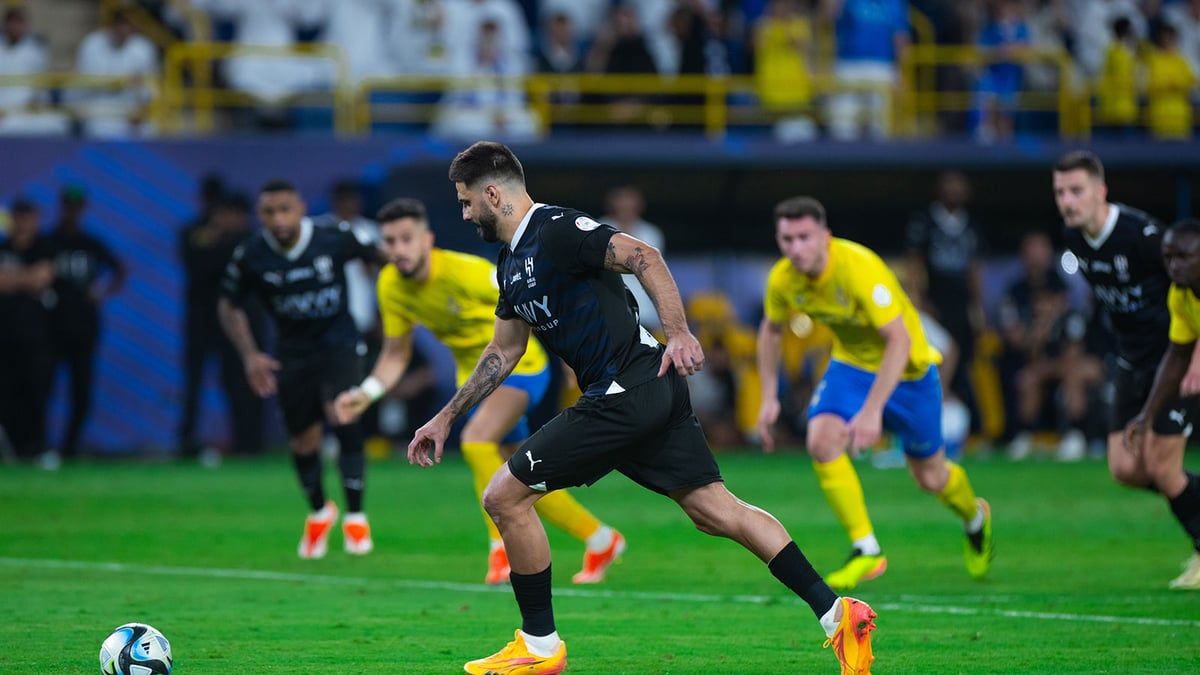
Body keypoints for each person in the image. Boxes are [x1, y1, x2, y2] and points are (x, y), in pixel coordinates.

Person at [407, 142, 876, 675]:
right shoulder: (511, 261)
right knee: (715, 510)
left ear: (493, 194)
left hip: (625, 389)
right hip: (646, 388)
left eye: (467, 202)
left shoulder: (556, 229)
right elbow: (504, 350)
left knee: (504, 497)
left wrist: (680, 332)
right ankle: (836, 614)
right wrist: (446, 416)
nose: (465, 214)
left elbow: (643, 256)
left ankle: (539, 646)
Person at [332, 197, 626, 585]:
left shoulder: (469, 273)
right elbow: (395, 354)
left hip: (522, 368)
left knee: (475, 440)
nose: (398, 249)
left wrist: (571, 356)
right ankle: (600, 538)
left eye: (406, 239)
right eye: (390, 241)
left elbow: (535, 299)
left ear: (427, 240)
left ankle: (501, 548)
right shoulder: (390, 285)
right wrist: (366, 393)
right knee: (516, 478)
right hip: (474, 385)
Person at [756, 196, 994, 592]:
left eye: (804, 237)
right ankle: (866, 548)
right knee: (821, 440)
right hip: (851, 367)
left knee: (931, 477)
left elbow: (899, 341)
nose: (795, 248)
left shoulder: (859, 269)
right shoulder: (782, 279)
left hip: (910, 372)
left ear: (826, 236)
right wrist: (768, 396)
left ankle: (975, 517)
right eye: (787, 239)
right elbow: (772, 329)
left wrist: (871, 412)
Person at [1055, 151, 1200, 589]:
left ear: (1101, 191)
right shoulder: (1074, 239)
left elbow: (1191, 288)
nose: (1067, 201)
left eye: (1076, 190)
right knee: (1125, 468)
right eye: (1060, 192)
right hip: (1130, 361)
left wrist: (1195, 355)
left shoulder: (1144, 236)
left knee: (1162, 465)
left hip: (1172, 359)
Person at [218, 180, 381, 559]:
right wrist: (250, 355)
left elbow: (380, 258)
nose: (278, 219)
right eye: (269, 212)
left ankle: (356, 517)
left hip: (340, 343)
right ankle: (320, 511)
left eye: (285, 210)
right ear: (260, 215)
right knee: (303, 441)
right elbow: (227, 304)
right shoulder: (252, 254)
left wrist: (391, 302)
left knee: (343, 413)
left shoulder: (333, 236)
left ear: (301, 209)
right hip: (292, 354)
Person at [1126, 218, 1200, 590]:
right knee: (1142, 467)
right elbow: (1176, 355)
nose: (1174, 266)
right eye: (1169, 258)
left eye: (1184, 257)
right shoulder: (1181, 296)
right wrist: (1148, 413)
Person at [42, 185, 126, 466]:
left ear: (83, 209)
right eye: (68, 205)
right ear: (61, 206)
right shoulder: (48, 242)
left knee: (81, 390)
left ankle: (70, 447)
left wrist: (101, 291)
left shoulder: (90, 243)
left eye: (77, 206)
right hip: (51, 326)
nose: (72, 211)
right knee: (43, 388)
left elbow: (119, 269)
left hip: (84, 326)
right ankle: (39, 445)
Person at [179, 192, 264, 463]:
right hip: (202, 321)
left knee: (241, 382)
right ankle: (186, 441)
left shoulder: (251, 240)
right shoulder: (194, 234)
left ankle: (248, 442)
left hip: (241, 323)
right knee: (193, 382)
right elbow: (195, 266)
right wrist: (215, 240)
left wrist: (217, 243)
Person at [0, 198, 55, 461]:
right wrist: (27, 277)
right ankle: (10, 449)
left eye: (28, 217)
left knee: (36, 393)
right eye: (18, 217)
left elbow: (42, 278)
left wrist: (12, 278)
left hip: (36, 335)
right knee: (6, 394)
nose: (22, 223)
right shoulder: (3, 248)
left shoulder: (45, 247)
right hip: (3, 334)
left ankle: (37, 449)